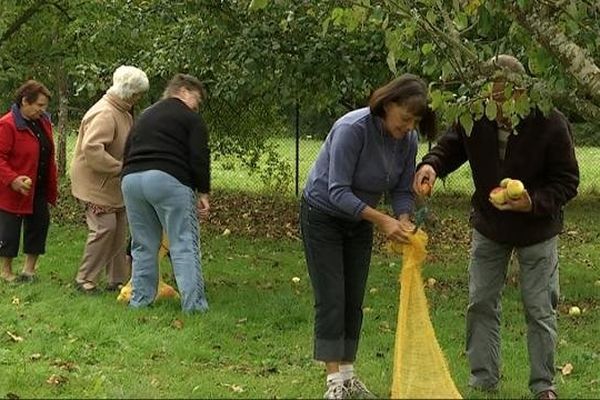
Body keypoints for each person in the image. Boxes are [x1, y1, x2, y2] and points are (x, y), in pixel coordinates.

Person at [412, 55, 579, 400]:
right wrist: (431, 166)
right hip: (490, 225)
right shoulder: (475, 116)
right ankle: (483, 380)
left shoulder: (550, 122)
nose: (497, 105)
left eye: (504, 96)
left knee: (539, 308)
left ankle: (543, 386)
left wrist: (532, 201)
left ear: (523, 91)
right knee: (481, 302)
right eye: (491, 96)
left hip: (537, 229)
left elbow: (567, 181)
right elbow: (449, 147)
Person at [300, 74, 436, 399]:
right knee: (332, 298)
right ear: (388, 105)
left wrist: (402, 219)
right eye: (404, 118)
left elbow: (402, 189)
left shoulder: (408, 140)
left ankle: (348, 377)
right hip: (323, 215)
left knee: (353, 298)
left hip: (359, 219)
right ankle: (334, 386)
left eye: (414, 122)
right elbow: (337, 192)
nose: (408, 127)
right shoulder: (353, 129)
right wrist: (383, 221)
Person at [121, 73, 210, 313]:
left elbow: (128, 148)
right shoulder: (190, 118)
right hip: (167, 179)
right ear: (183, 91)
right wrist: (203, 191)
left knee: (143, 244)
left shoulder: (145, 114)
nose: (196, 105)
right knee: (183, 242)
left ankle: (140, 301)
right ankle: (194, 306)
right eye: (197, 99)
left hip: (132, 180)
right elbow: (199, 155)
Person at [70, 65, 149, 293]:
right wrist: (120, 167)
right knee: (104, 228)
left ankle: (117, 279)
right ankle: (84, 279)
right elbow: (93, 150)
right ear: (129, 92)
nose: (139, 98)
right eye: (138, 94)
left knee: (119, 228)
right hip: (96, 184)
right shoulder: (105, 112)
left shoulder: (122, 110)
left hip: (113, 184)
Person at [0, 80, 58, 283]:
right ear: (25, 101)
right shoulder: (7, 124)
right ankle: (6, 271)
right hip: (13, 189)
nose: (42, 110)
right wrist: (13, 179)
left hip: (38, 185)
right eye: (39, 105)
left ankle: (29, 270)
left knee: (39, 224)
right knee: (9, 230)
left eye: (45, 106)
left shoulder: (43, 122)